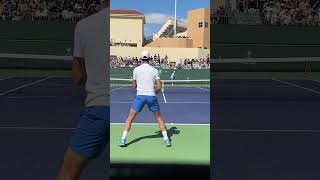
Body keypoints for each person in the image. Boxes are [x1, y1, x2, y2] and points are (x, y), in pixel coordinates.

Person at [56, 0, 109, 180]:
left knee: (67, 174)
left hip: (99, 109)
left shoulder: (84, 26)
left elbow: (78, 78)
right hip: (131, 109)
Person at [118, 51, 171, 147]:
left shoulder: (136, 70)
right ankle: (166, 139)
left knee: (129, 118)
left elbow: (134, 85)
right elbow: (159, 86)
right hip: (151, 96)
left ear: (141, 59)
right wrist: (153, 93)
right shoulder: (154, 70)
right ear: (149, 59)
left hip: (140, 97)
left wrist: (139, 88)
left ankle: (123, 139)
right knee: (159, 118)